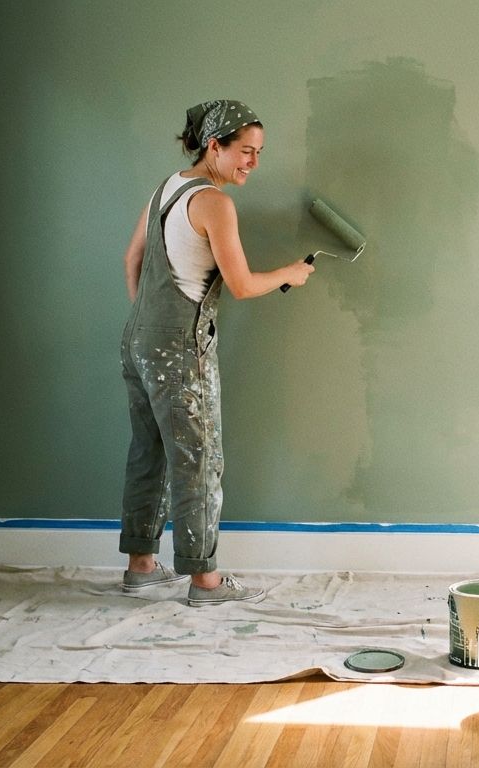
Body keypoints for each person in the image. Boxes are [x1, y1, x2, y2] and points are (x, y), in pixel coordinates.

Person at [118, 100, 314, 606]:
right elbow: (242, 285)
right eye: (245, 151)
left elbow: (132, 257)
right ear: (214, 146)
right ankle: (205, 582)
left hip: (138, 341)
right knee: (198, 461)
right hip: (178, 351)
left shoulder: (167, 187)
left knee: (149, 452)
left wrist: (150, 323)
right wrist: (290, 273)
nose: (254, 162)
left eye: (259, 152)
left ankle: (141, 566)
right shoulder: (213, 202)